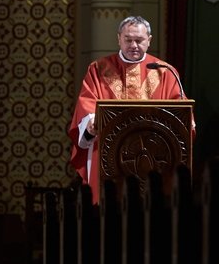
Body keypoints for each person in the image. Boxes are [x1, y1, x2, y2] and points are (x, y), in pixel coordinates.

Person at [69, 15, 192, 200]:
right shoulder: (99, 69)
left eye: (139, 40)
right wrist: (91, 123)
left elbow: (181, 111)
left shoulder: (165, 71)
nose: (134, 45)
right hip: (109, 156)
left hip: (155, 159)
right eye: (128, 40)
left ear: (149, 41)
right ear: (119, 38)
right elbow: (87, 104)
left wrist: (187, 122)